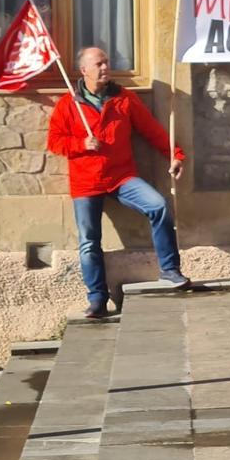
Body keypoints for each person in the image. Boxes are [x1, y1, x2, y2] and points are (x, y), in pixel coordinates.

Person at [47, 46, 188, 320]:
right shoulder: (69, 104)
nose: (105, 68)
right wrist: (81, 144)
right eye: (98, 64)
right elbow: (54, 142)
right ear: (84, 70)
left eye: (106, 63)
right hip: (86, 182)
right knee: (89, 241)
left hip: (122, 177)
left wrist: (175, 155)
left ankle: (170, 270)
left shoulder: (124, 99)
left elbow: (152, 130)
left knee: (158, 206)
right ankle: (97, 299)